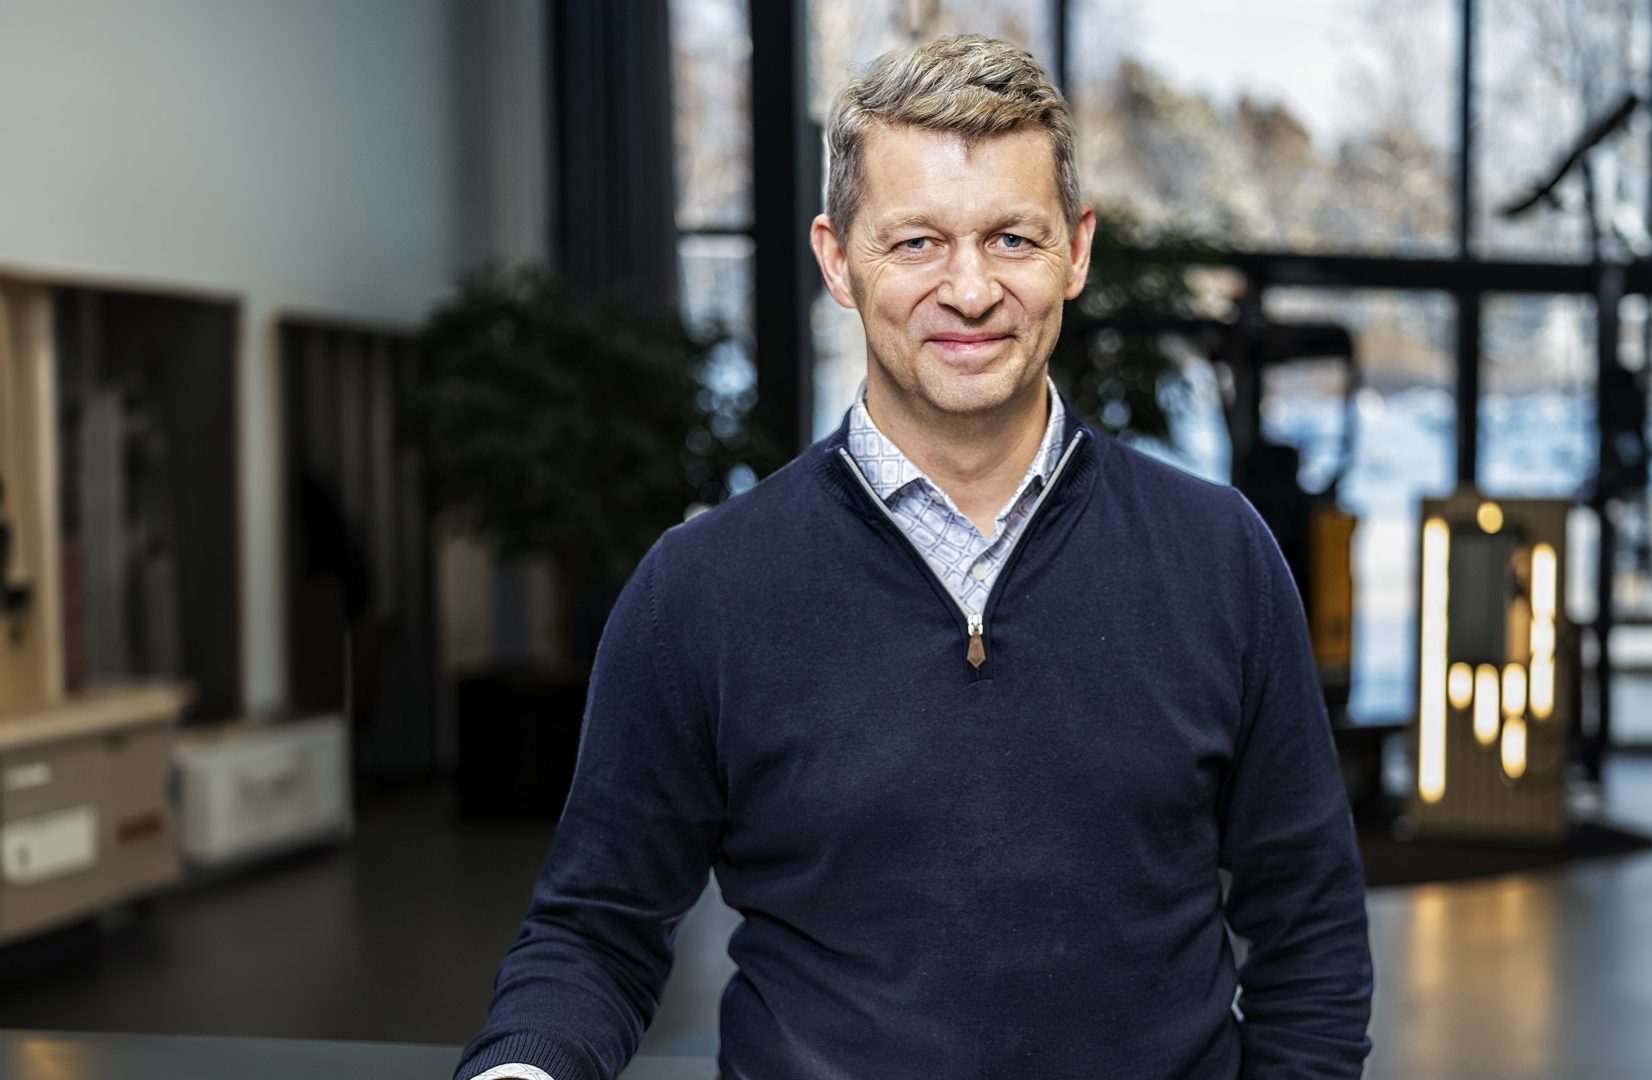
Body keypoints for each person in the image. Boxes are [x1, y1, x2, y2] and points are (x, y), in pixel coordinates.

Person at [454, 34, 1372, 1080]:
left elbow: (1309, 935)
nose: (971, 290)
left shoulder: (1221, 560)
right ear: (837, 260)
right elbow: (594, 933)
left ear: (1076, 250)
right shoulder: (701, 591)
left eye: (1012, 240)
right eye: (917, 243)